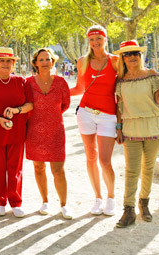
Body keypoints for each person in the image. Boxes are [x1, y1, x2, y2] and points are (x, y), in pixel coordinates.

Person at [113, 40, 159, 228]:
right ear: (122, 58)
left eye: (135, 53)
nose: (132, 57)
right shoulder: (120, 80)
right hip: (130, 129)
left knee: (148, 169)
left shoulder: (152, 75)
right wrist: (118, 128)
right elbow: (119, 106)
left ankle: (144, 204)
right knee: (131, 171)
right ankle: (128, 210)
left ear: (140, 56)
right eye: (128, 54)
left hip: (153, 128)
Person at [70, 25, 119, 216]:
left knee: (104, 161)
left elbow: (122, 89)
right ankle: (97, 198)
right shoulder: (82, 61)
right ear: (88, 41)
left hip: (108, 115)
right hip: (86, 113)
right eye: (92, 40)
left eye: (99, 39)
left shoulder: (115, 60)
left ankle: (111, 198)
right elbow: (79, 89)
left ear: (105, 39)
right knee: (90, 156)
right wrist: (52, 91)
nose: (95, 43)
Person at [0, 47, 33, 217]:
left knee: (15, 168)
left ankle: (16, 202)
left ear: (13, 64)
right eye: (1, 61)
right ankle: (0, 202)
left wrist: (16, 110)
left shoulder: (21, 82)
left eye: (9, 61)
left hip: (17, 131)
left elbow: (30, 105)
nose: (5, 64)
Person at [26, 48, 73, 219]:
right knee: (39, 167)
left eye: (48, 59)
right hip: (34, 132)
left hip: (55, 131)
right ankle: (45, 201)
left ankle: (64, 204)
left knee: (58, 170)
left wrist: (50, 116)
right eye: (41, 59)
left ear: (53, 62)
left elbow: (65, 105)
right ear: (35, 63)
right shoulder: (28, 83)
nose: (45, 62)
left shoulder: (61, 83)